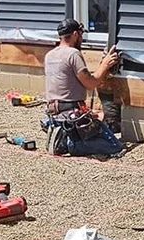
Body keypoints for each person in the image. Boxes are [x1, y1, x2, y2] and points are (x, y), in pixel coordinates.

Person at [42, 18, 124, 156]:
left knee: (98, 125)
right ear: (75, 34)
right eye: (80, 35)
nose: (81, 39)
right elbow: (91, 84)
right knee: (114, 146)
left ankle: (63, 139)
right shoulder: (73, 54)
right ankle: (70, 144)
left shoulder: (50, 55)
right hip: (71, 115)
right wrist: (105, 65)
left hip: (55, 115)